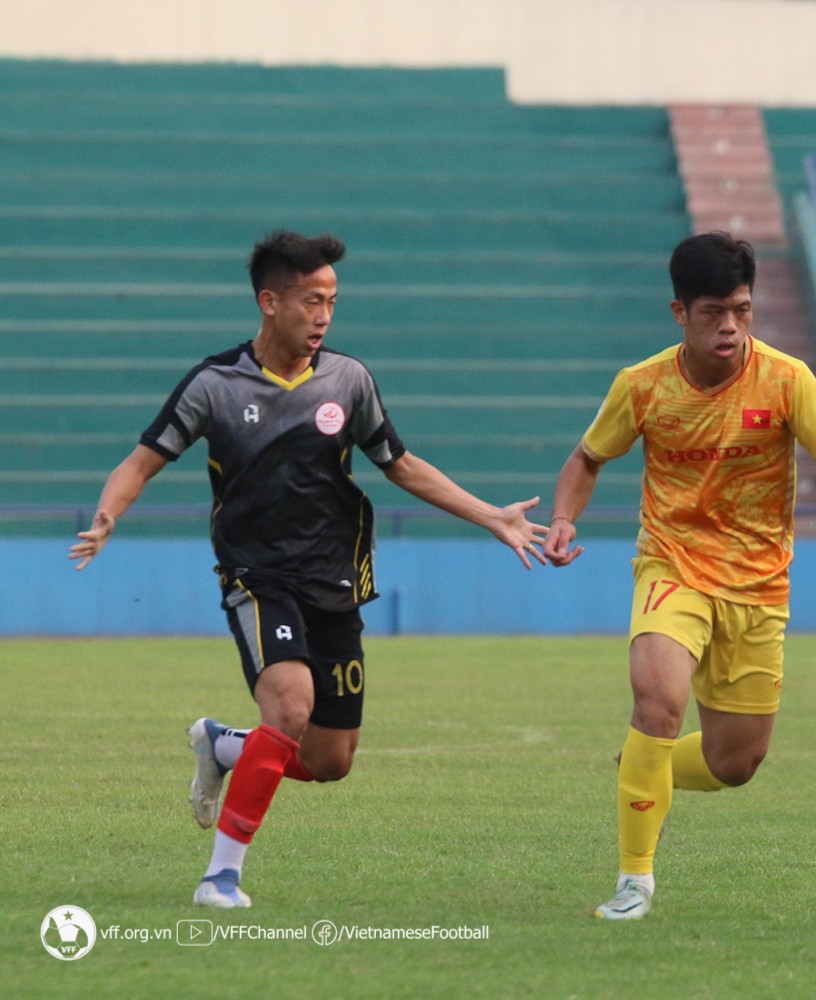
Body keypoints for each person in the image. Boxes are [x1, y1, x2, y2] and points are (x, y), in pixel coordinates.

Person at [68, 230, 548, 909]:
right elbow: (143, 459)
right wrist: (109, 513)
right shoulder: (216, 383)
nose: (323, 315)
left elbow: (401, 466)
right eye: (310, 301)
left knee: (330, 761)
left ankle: (224, 747)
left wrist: (492, 516)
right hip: (257, 576)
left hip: (334, 581)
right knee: (289, 708)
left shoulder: (348, 380)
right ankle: (220, 876)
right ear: (270, 302)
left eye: (332, 302)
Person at [544, 231, 816, 921]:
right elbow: (585, 458)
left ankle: (646, 768)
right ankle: (635, 881)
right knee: (656, 702)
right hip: (673, 566)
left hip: (758, 587)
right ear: (679, 312)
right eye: (713, 312)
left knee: (735, 765)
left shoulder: (787, 379)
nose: (730, 326)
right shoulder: (642, 386)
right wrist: (564, 519)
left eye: (743, 310)